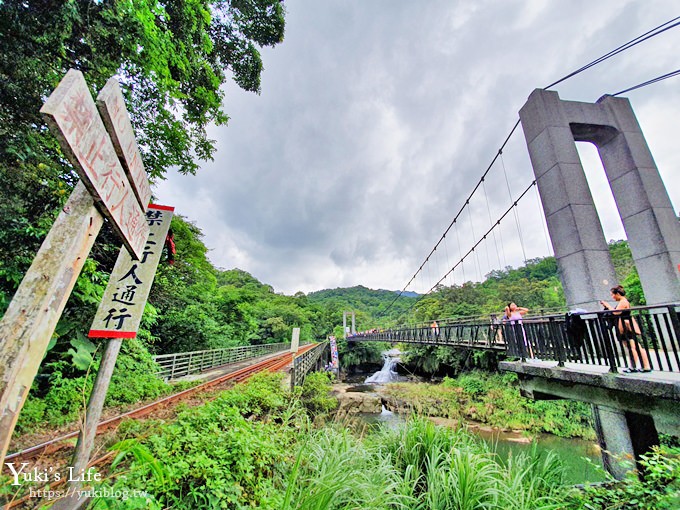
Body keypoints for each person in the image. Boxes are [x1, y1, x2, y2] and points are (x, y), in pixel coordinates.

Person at [600, 285, 651, 373]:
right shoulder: (623, 301)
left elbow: (616, 313)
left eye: (612, 295)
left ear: (617, 294)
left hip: (625, 327)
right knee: (636, 347)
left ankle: (634, 367)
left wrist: (608, 306)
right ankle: (645, 366)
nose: (612, 297)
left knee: (632, 347)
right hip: (625, 326)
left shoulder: (623, 301)